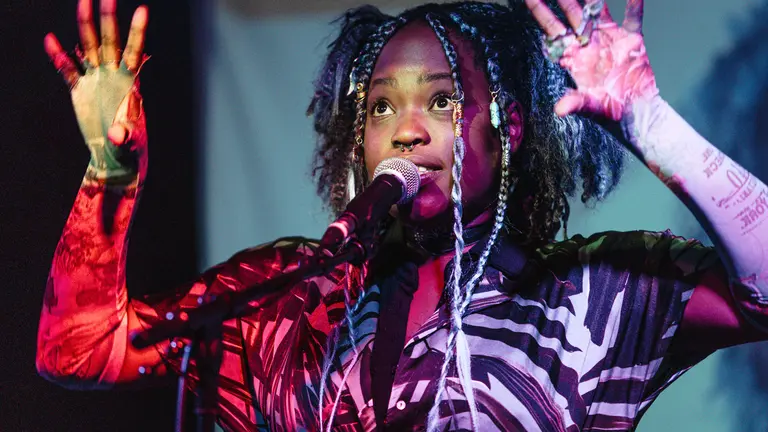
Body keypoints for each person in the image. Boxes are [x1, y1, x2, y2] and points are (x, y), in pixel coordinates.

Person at [36, 0, 768, 430]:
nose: (406, 130)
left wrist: (647, 121)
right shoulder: (292, 298)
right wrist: (111, 176)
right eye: (382, 106)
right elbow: (77, 350)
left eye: (442, 101)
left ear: (506, 127)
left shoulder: (594, 295)